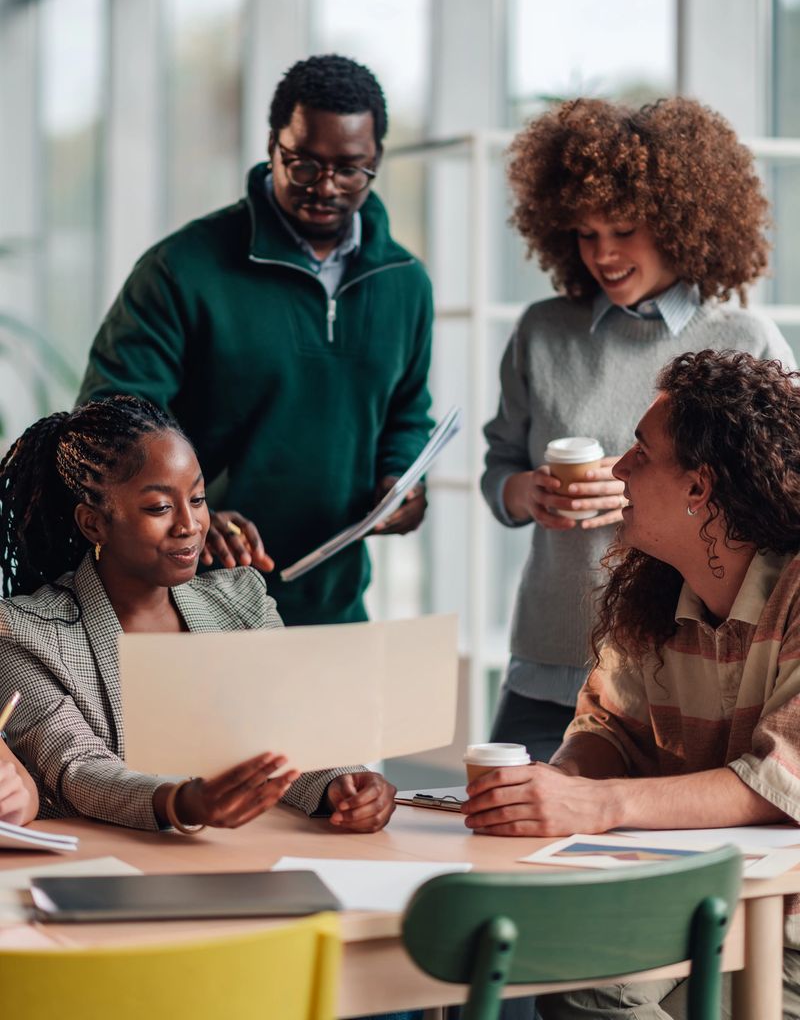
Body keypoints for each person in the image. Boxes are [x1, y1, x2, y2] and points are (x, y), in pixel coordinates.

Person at [468, 349, 800, 1018]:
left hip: (785, 917)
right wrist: (562, 784)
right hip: (683, 893)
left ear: (700, 488)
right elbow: (607, 728)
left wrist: (595, 807)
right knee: (578, 979)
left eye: (640, 454)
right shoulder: (649, 592)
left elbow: (783, 779)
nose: (618, 468)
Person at [482, 96, 795, 762]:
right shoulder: (543, 331)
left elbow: (777, 505)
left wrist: (662, 500)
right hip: (551, 649)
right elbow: (499, 467)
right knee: (510, 827)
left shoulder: (744, 340)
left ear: (680, 223)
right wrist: (526, 494)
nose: (604, 254)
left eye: (623, 230)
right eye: (586, 234)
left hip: (683, 666)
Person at [78, 54, 433, 628]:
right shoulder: (181, 269)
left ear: (377, 159)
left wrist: (401, 481)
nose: (326, 187)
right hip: (195, 602)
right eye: (303, 164)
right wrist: (191, 514)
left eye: (350, 169)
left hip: (335, 603)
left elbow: (406, 413)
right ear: (272, 144)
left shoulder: (404, 283)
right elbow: (110, 421)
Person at [0, 395, 396, 834]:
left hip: (249, 859)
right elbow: (77, 767)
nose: (189, 524)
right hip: (104, 871)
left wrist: (342, 783)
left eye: (198, 498)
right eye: (160, 507)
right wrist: (183, 803)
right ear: (94, 523)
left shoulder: (241, 603)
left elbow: (294, 735)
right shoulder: (24, 632)